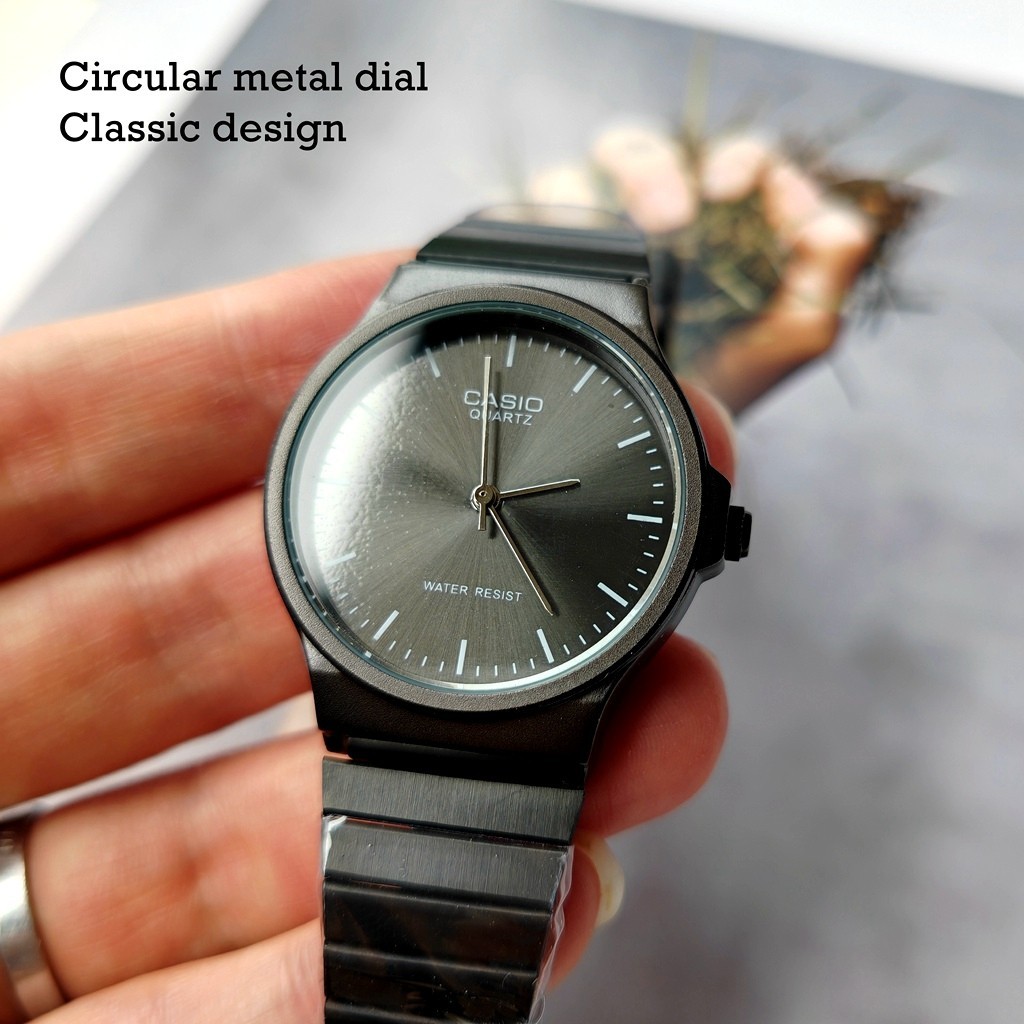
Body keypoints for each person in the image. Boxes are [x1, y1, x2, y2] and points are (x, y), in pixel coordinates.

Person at [0, 250, 734, 1023]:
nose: (484, 500)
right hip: (379, 672)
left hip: (530, 711)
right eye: (481, 496)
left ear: (712, 529)